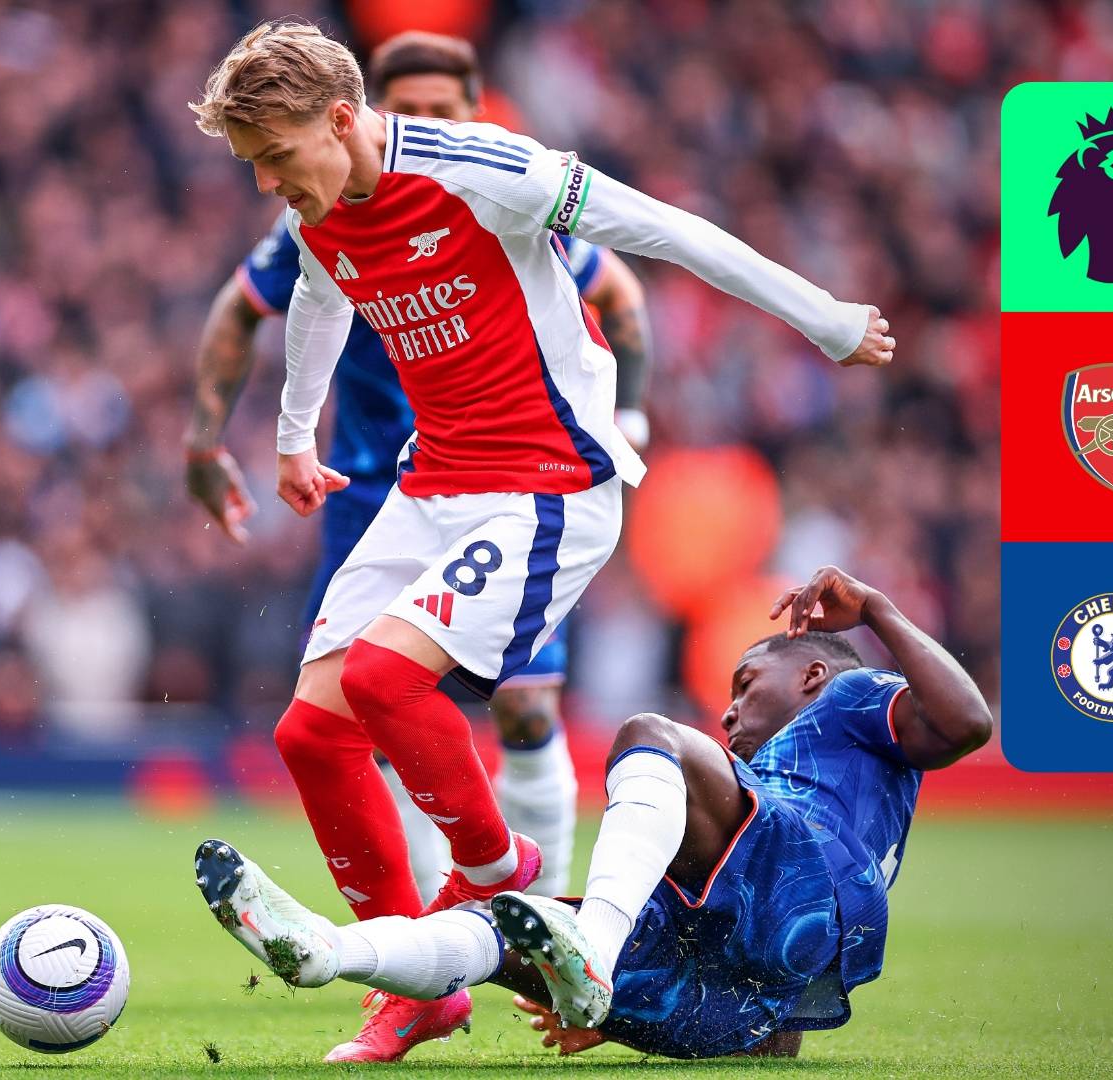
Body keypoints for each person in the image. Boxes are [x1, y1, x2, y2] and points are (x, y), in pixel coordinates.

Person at [188, 23, 894, 1061]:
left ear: (340, 120)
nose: (267, 184)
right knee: (311, 735)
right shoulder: (319, 208)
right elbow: (318, 298)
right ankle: (418, 988)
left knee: (385, 679)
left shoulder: (486, 172)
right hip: (430, 485)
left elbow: (667, 231)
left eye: (276, 157)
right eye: (253, 165)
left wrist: (825, 317)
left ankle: (496, 874)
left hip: (548, 485)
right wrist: (295, 436)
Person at [186, 28, 656, 920]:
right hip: (376, 488)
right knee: (348, 714)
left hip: (520, 479)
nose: (426, 123)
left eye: (445, 111)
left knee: (521, 706)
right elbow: (240, 309)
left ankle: (534, 912)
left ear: (473, 114)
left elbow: (622, 291)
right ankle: (423, 946)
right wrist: (208, 441)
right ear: (361, 113)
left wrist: (624, 419)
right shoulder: (317, 205)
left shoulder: (495, 195)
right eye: (411, 108)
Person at [195, 565, 992, 1060]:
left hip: (796, 886)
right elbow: (781, 1015)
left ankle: (595, 955)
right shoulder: (759, 802)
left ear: (813, 675)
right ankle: (328, 951)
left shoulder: (849, 699)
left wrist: (877, 609)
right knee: (500, 926)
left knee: (651, 736)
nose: (728, 712)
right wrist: (619, 1019)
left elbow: (966, 724)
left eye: (746, 685)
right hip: (744, 1003)